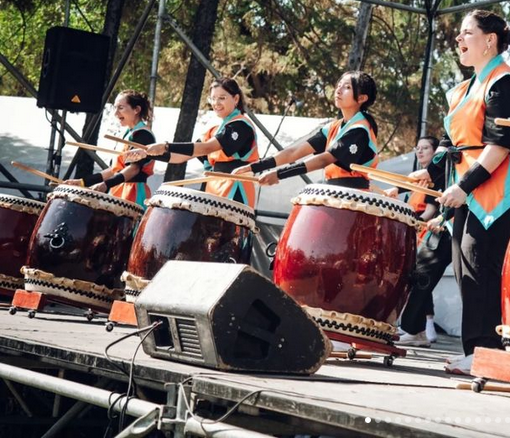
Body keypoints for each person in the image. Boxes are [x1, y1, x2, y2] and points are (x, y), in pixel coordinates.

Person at [410, 10, 510, 376]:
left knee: (483, 265)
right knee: (465, 266)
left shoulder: (507, 84)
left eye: (467, 33)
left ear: (490, 40)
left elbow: (499, 146)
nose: (459, 39)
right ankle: (476, 350)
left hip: (503, 184)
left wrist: (462, 186)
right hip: (471, 184)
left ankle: (488, 350)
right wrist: (429, 173)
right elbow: (451, 143)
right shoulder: (462, 90)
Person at [235, 71, 378, 188]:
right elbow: (294, 152)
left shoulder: (360, 129)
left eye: (347, 87)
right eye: (338, 85)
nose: (338, 91)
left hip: (354, 196)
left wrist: (278, 174)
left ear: (361, 98)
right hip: (334, 191)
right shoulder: (333, 127)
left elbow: (323, 160)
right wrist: (253, 167)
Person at [131, 77, 260, 206]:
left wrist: (165, 146)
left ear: (236, 99)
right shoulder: (214, 130)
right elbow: (180, 156)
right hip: (215, 188)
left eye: (222, 98)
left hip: (236, 189)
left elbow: (206, 147)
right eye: (213, 98)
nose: (216, 103)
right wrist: (147, 154)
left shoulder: (241, 125)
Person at [397, 135, 450, 347]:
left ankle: (420, 327)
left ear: (437, 152)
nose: (419, 151)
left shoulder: (438, 176)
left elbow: (429, 211)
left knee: (423, 274)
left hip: (435, 229)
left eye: (425, 148)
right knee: (422, 276)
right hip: (424, 230)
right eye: (417, 148)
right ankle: (416, 329)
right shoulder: (421, 179)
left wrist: (409, 222)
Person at [66, 90, 156, 207]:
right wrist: (83, 182)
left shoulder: (143, 135)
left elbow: (133, 169)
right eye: (115, 108)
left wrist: (106, 184)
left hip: (133, 192)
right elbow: (114, 170)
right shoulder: (128, 134)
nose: (115, 113)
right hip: (119, 189)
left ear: (136, 109)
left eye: (121, 108)